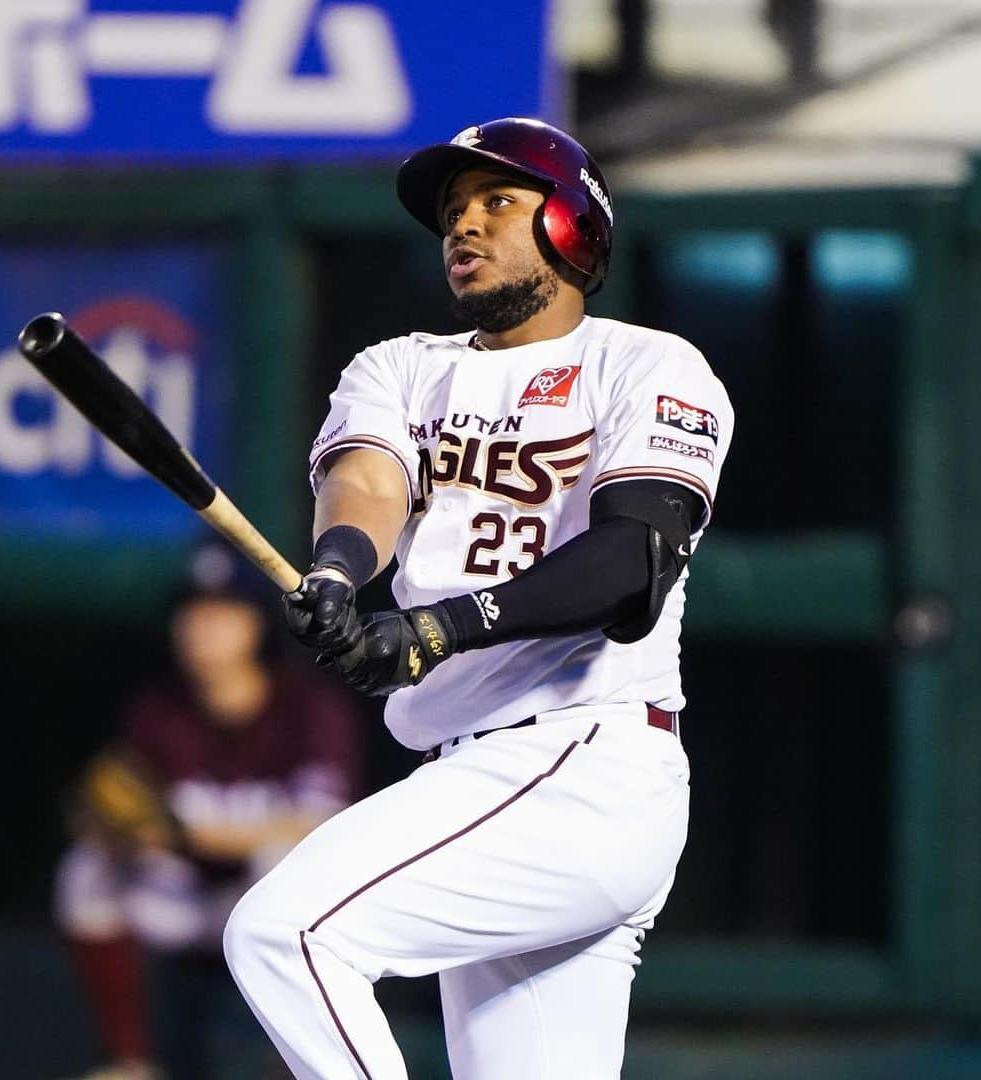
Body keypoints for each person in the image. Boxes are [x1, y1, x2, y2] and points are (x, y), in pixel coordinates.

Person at [223, 117, 734, 1078]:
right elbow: (369, 485)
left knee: (285, 936)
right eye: (454, 211)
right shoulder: (402, 366)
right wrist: (338, 571)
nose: (466, 225)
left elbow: (631, 558)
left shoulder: (647, 364)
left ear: (576, 225)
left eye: (499, 200)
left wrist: (440, 627)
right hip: (478, 776)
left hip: (585, 756)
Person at [55, 544, 360, 1080]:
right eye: (192, 612)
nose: (202, 627)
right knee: (85, 872)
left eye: (222, 612)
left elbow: (323, 828)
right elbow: (102, 811)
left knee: (281, 864)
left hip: (265, 901)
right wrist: (113, 831)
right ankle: (129, 1062)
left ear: (255, 625)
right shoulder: (156, 712)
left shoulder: (308, 709)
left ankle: (289, 1063)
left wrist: (184, 835)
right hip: (184, 900)